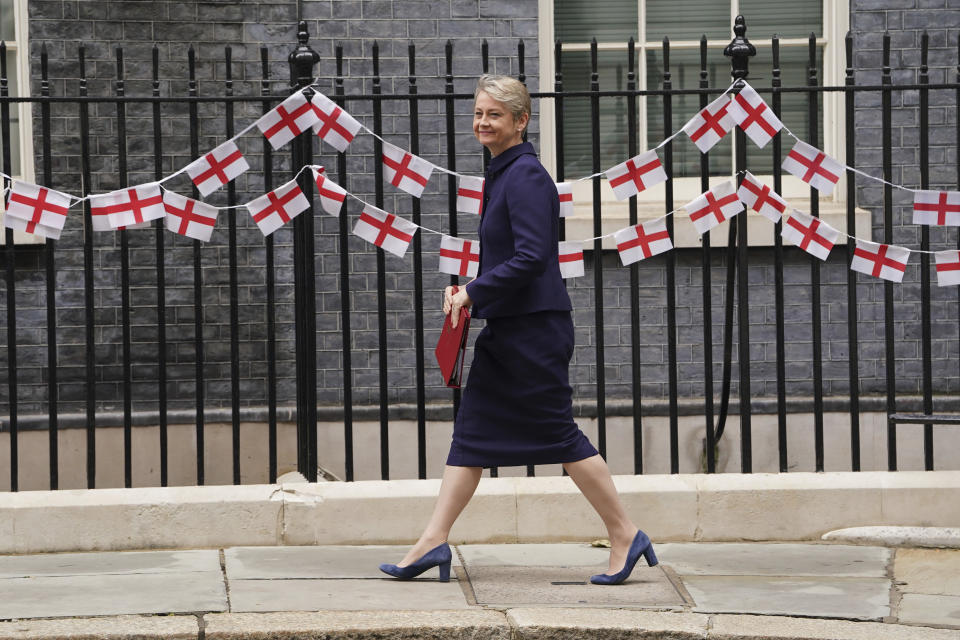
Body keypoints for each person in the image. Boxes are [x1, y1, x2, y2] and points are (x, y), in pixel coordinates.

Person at [379, 74, 656, 586]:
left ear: (521, 120)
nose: (483, 122)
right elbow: (510, 255)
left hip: (534, 333)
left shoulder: (526, 175)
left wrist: (476, 293)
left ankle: (625, 533)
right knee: (472, 435)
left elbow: (533, 257)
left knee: (558, 434)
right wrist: (469, 287)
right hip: (510, 330)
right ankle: (432, 542)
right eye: (479, 113)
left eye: (495, 115)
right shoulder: (501, 173)